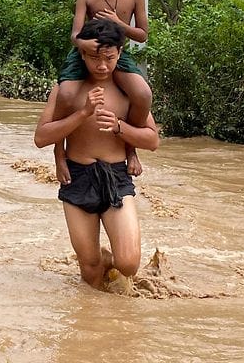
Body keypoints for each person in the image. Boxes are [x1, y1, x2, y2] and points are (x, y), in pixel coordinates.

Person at [34, 18, 160, 289]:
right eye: (94, 58)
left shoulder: (127, 90)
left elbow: (152, 140)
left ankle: (111, 267)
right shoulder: (67, 88)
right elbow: (41, 137)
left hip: (116, 177)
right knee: (90, 270)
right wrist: (82, 114)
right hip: (77, 177)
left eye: (109, 58)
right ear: (82, 53)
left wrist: (119, 127)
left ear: (120, 54)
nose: (102, 66)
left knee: (128, 263)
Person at [55, 0, 152, 179]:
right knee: (65, 95)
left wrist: (119, 24)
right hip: (85, 53)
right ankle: (59, 154)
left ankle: (131, 150)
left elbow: (142, 34)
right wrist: (82, 45)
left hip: (114, 55)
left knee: (142, 93)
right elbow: (75, 34)